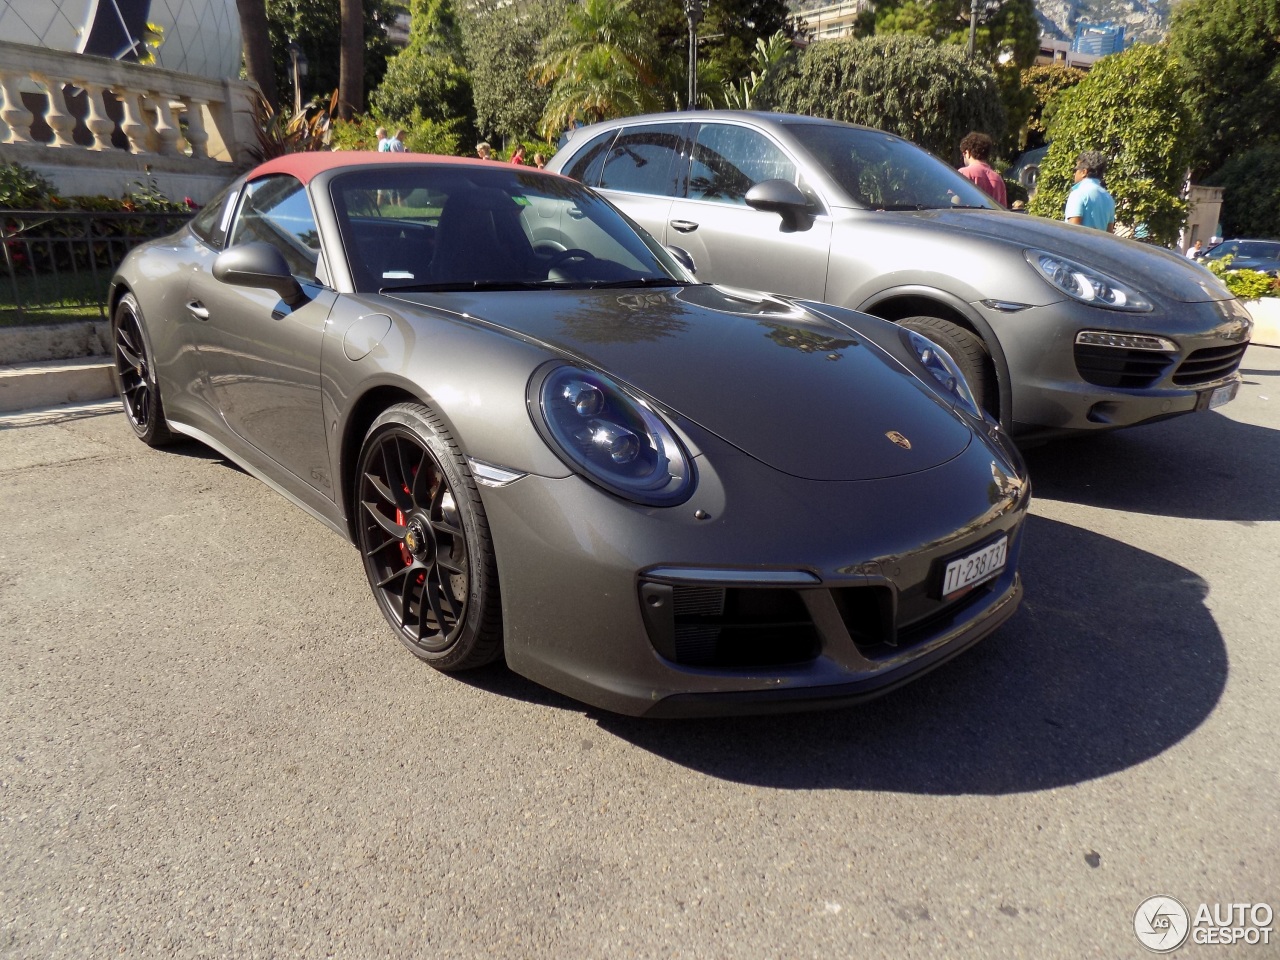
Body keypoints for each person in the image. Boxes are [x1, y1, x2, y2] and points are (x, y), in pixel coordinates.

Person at [1064, 151, 1116, 233]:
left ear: (1084, 172)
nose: (1074, 173)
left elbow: (1072, 231)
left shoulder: (1078, 193)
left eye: (1076, 170)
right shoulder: (1109, 198)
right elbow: (1109, 233)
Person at [957, 132, 1006, 207]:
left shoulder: (963, 173)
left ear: (967, 152)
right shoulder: (998, 179)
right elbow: (1003, 208)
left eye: (963, 155)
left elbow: (955, 201)